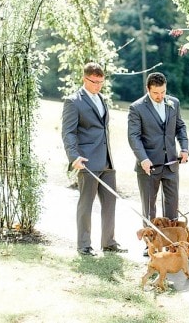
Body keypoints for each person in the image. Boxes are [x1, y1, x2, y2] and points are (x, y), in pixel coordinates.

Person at [61, 62, 126, 256]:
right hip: (87, 161)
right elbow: (69, 132)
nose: (97, 85)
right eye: (94, 81)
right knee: (86, 204)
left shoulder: (102, 99)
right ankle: (84, 245)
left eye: (101, 82)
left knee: (110, 203)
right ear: (84, 78)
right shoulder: (73, 101)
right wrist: (74, 157)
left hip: (107, 160)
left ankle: (109, 242)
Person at [127, 72, 189, 256]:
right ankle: (151, 245)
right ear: (148, 89)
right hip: (148, 166)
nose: (160, 96)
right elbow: (134, 137)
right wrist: (143, 159)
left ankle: (172, 243)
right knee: (149, 206)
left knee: (172, 205)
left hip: (171, 164)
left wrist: (184, 148)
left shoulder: (173, 103)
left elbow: (180, 127)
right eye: (156, 93)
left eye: (162, 92)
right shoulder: (136, 108)